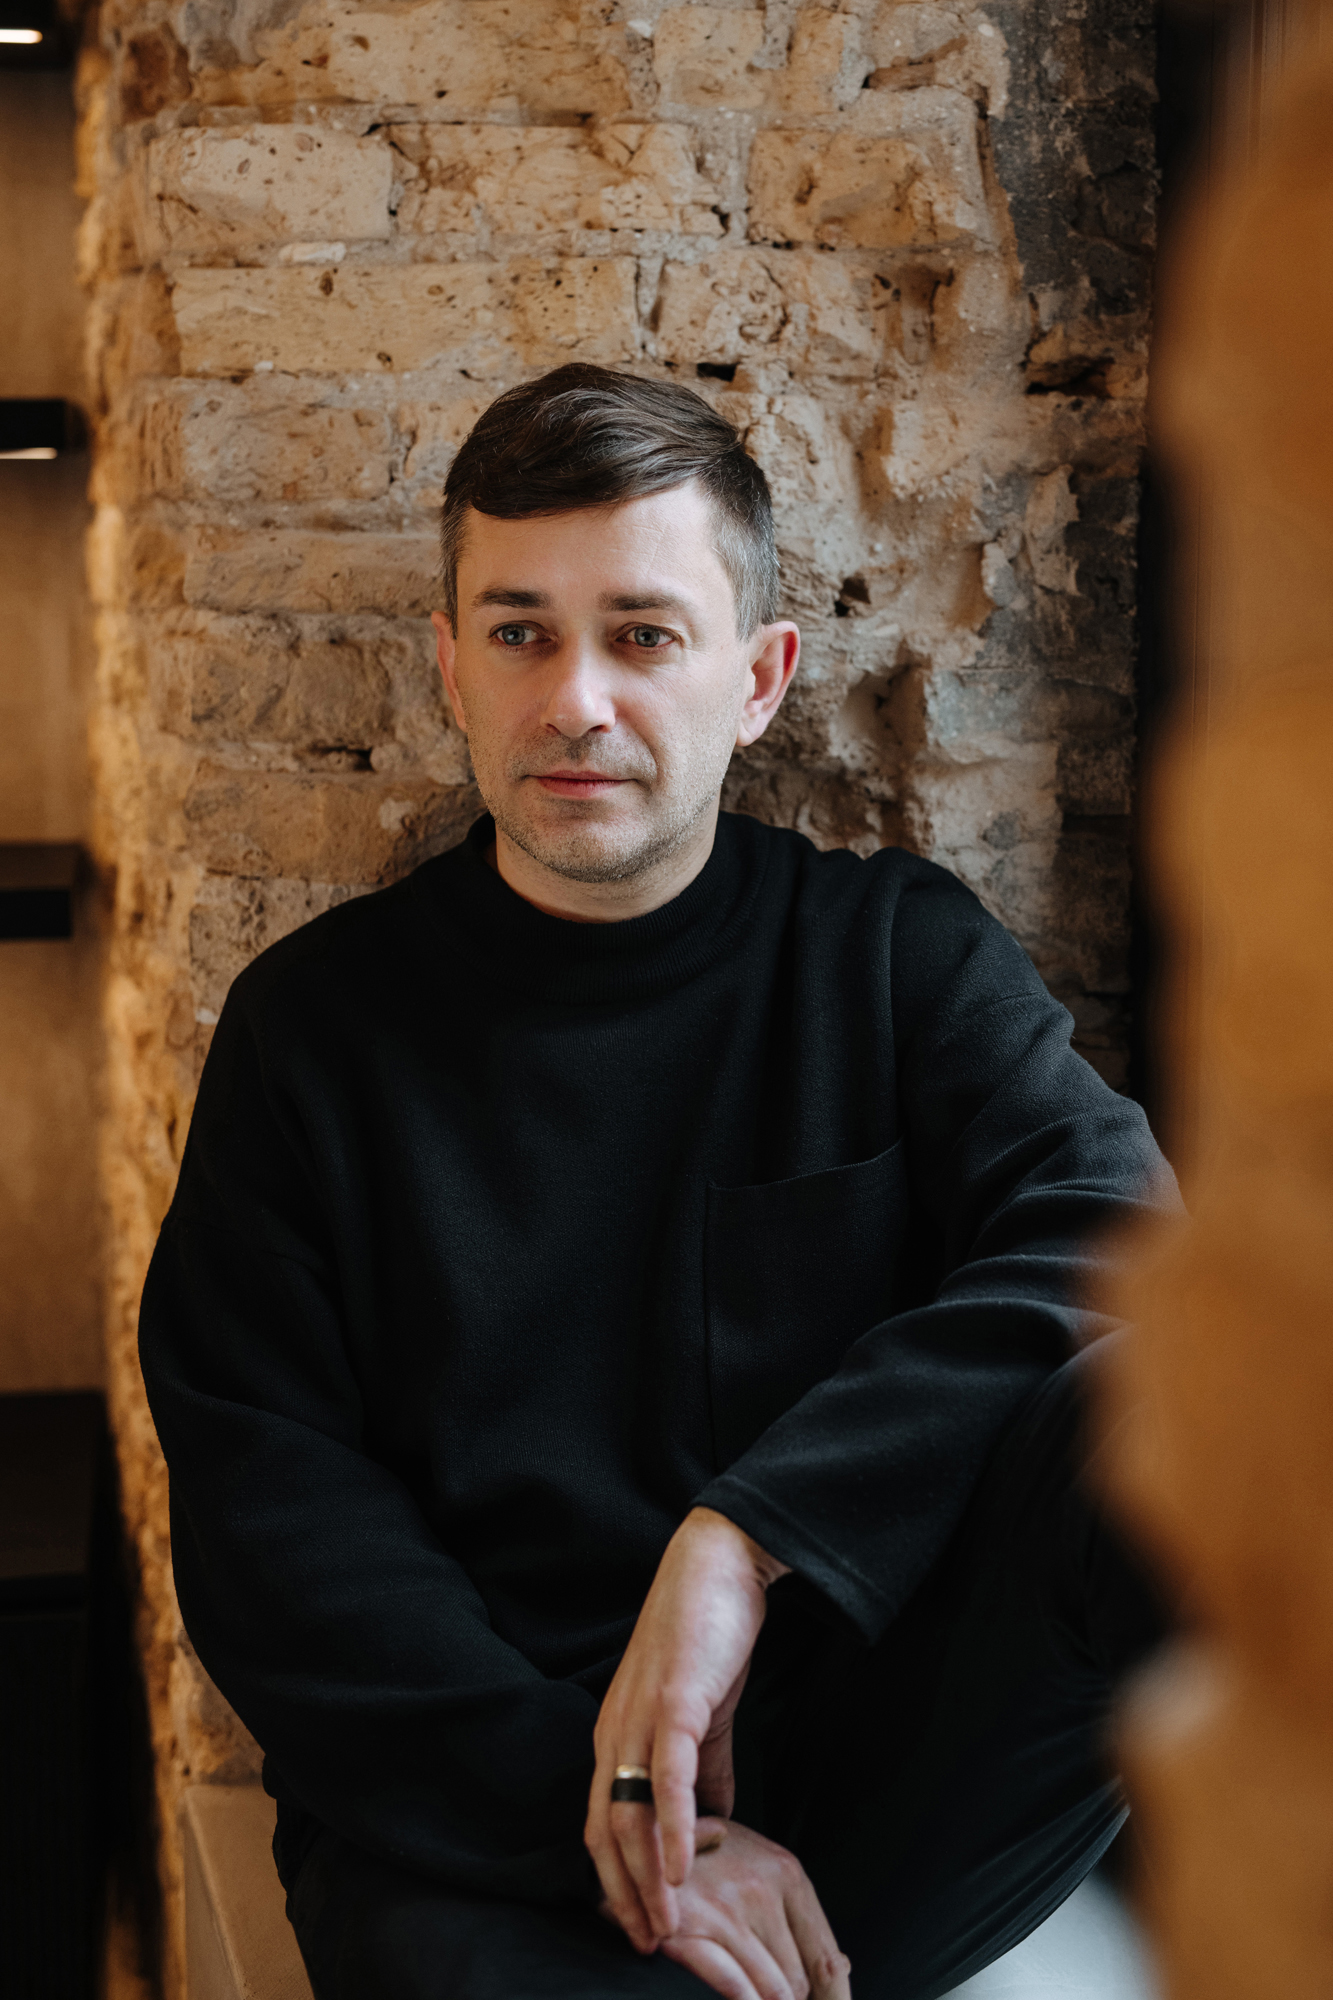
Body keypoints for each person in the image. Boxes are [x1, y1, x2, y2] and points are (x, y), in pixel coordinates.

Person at [138, 365, 1177, 2000]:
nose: (575, 700)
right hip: (492, 1814)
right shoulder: (312, 1036)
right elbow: (276, 1533)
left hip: (876, 1758)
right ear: (450, 666)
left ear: (757, 679)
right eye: (520, 632)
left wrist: (744, 1534)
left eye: (640, 634)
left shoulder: (888, 956)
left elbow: (1118, 1242)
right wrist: (619, 1811)